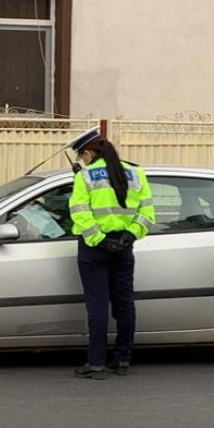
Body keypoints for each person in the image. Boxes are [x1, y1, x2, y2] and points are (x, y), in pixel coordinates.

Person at [67, 127, 155, 379]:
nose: (82, 161)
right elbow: (147, 213)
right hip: (124, 246)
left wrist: (100, 240)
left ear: (87, 152)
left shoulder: (85, 177)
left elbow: (80, 214)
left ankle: (96, 363)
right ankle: (123, 359)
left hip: (95, 249)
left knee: (97, 305)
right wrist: (129, 236)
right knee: (124, 304)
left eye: (82, 156)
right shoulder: (136, 172)